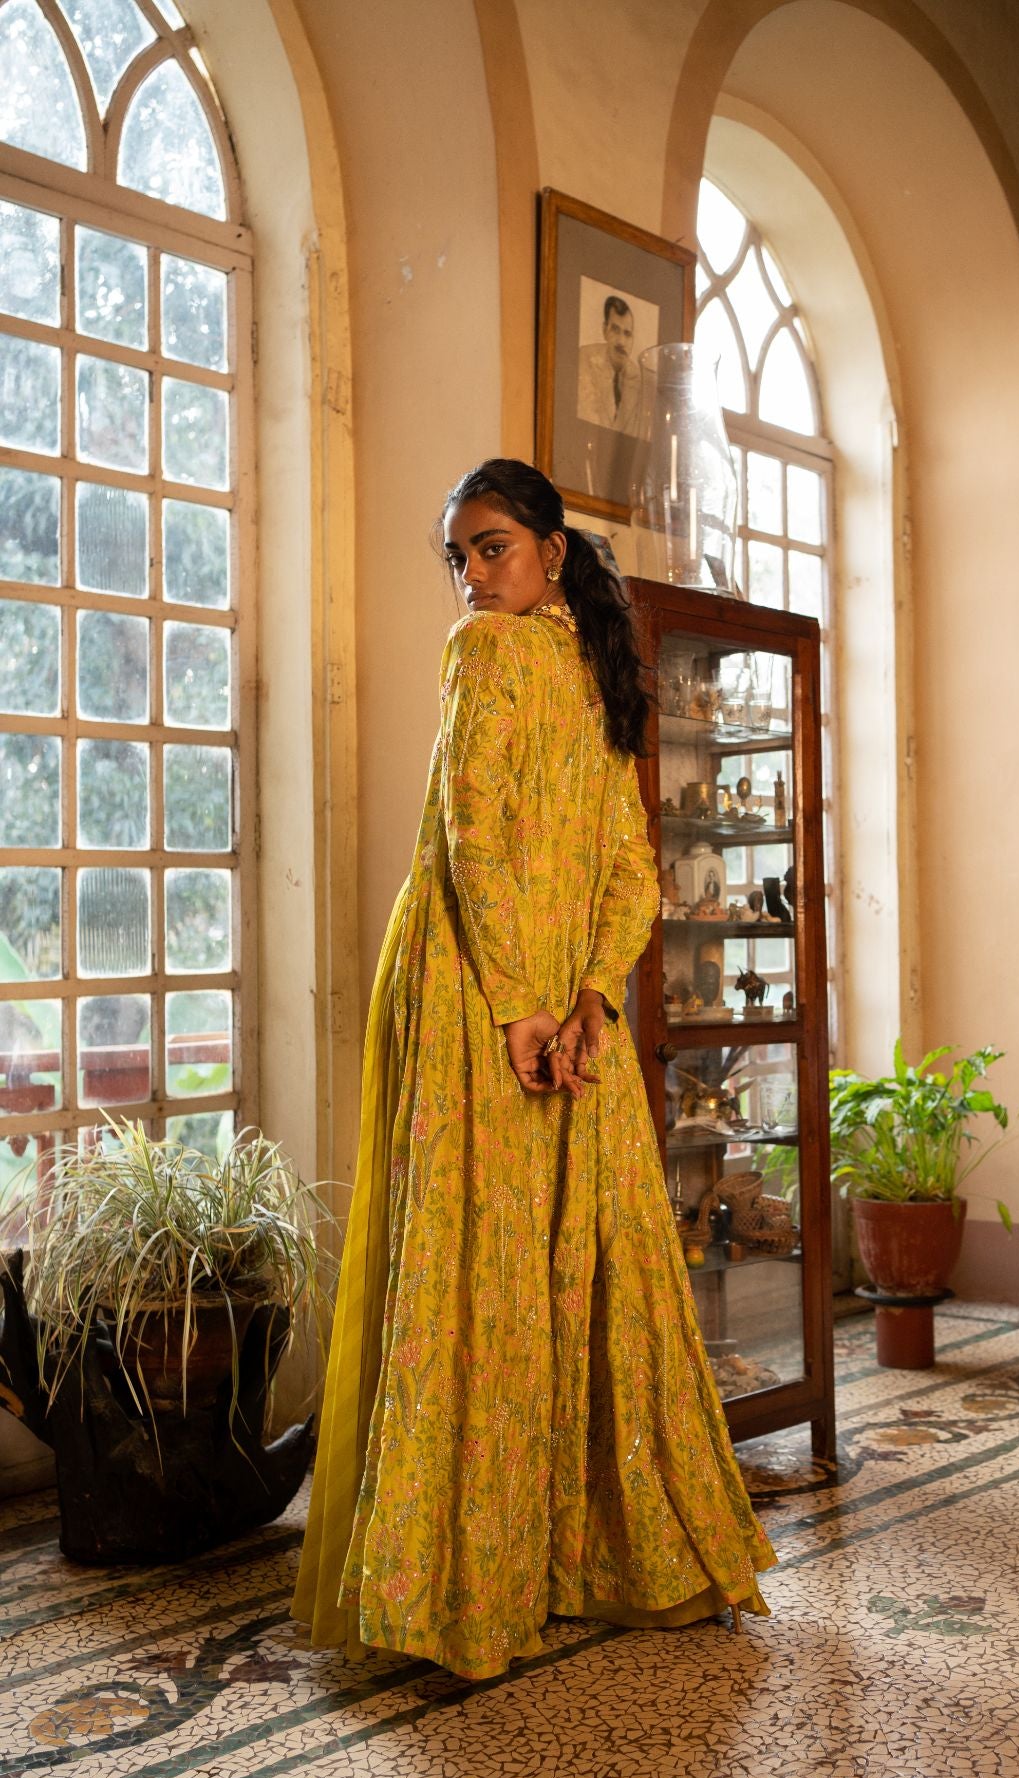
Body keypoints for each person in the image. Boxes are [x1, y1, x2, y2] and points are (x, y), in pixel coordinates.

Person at [292, 459, 775, 1681]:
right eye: (457, 556)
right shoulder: (528, 658)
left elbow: (620, 862)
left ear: (553, 551)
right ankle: (534, 1565)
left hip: (523, 998)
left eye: (491, 546)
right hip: (487, 993)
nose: (470, 576)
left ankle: (492, 1572)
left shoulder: (553, 665)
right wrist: (555, 1000)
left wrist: (582, 999)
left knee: (516, 1263)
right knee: (527, 1262)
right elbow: (480, 844)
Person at [576, 294, 644, 434]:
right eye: (615, 330)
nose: (621, 341)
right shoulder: (582, 360)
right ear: (604, 331)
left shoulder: (640, 380)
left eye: (627, 334)